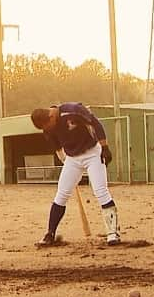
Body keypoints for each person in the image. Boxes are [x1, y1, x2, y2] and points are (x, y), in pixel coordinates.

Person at [30, 103, 120, 246]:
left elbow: (96, 123)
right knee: (61, 195)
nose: (46, 130)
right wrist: (63, 158)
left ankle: (113, 233)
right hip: (72, 158)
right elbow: (56, 144)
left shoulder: (74, 110)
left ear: (51, 116)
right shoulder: (47, 127)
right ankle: (50, 234)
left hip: (92, 153)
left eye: (47, 126)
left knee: (100, 191)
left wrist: (105, 147)